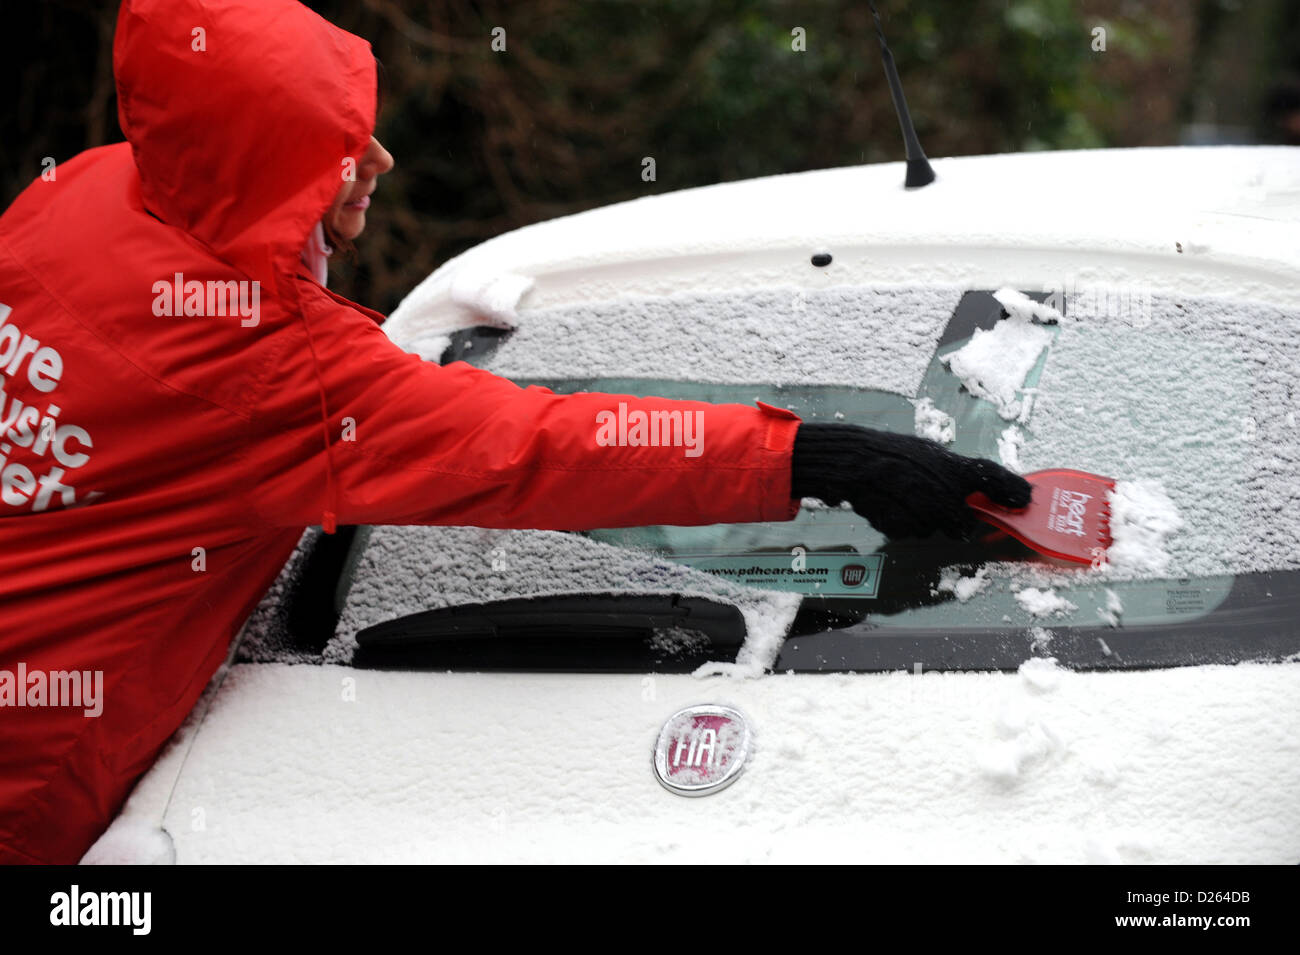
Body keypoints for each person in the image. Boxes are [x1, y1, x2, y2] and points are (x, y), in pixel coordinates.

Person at [0, 0, 1029, 864]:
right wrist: (816, 455)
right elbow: (543, 448)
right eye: (340, 154)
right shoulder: (271, 377)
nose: (381, 161)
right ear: (264, 173)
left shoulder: (81, 197)